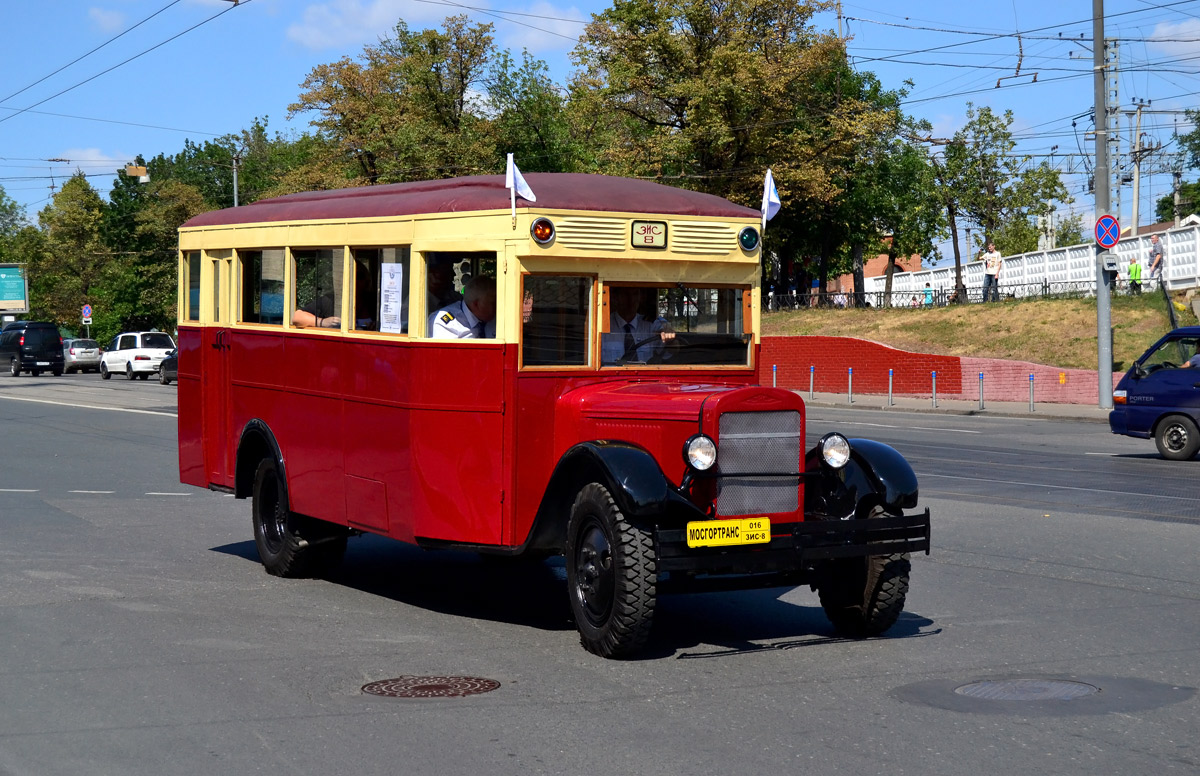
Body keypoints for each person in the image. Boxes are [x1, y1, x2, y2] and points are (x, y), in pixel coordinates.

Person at [602, 286, 673, 363]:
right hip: (612, 374)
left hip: (643, 374)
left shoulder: (650, 325)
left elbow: (671, 351)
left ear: (640, 298)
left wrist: (668, 334)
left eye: (635, 294)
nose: (631, 300)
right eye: (625, 294)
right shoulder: (603, 325)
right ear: (615, 298)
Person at [429, 275, 496, 339]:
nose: (496, 307)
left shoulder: (494, 319)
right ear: (476, 304)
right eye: (493, 303)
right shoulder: (447, 324)